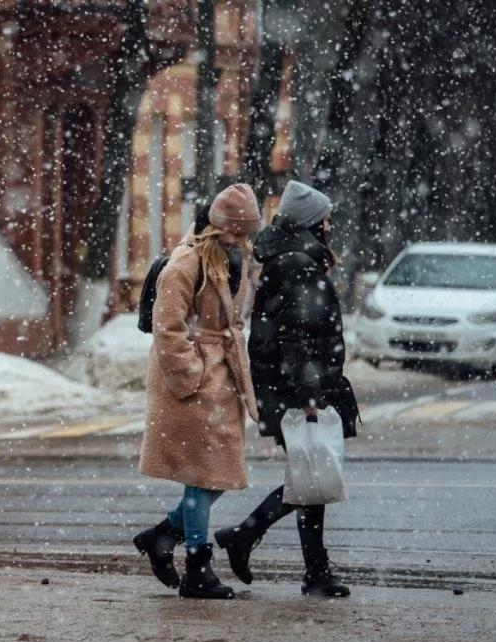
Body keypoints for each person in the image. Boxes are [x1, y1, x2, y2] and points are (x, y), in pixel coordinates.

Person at [214, 180, 359, 598]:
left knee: (309, 476)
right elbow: (295, 334)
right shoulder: (297, 262)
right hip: (297, 387)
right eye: (325, 218)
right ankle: (249, 538)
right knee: (310, 475)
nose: (330, 225)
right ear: (313, 222)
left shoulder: (295, 257)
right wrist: (309, 394)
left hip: (294, 384)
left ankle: (297, 562)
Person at [133, 184, 261, 599]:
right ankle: (198, 568)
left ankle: (163, 535)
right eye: (235, 233)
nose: (241, 242)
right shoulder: (185, 263)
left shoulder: (230, 257)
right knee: (202, 475)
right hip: (194, 383)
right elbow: (166, 327)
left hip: (220, 377)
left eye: (246, 234)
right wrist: (193, 372)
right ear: (216, 227)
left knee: (218, 473)